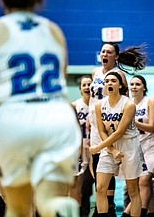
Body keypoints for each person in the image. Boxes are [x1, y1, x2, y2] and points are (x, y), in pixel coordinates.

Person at [0, 0, 82, 216]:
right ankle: (58, 206)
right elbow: (61, 79)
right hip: (57, 116)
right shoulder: (54, 31)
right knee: (48, 199)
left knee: (19, 208)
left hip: (16, 118)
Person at [88, 42, 146, 216]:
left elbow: (120, 131)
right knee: (100, 185)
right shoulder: (96, 78)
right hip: (102, 131)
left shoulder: (127, 103)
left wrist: (101, 146)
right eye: (103, 51)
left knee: (133, 188)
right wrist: (110, 149)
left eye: (113, 81)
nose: (109, 83)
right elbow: (101, 130)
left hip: (126, 141)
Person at [122, 75, 154, 217]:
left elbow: (152, 127)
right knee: (146, 184)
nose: (134, 86)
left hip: (152, 144)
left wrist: (131, 120)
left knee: (144, 181)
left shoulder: (150, 102)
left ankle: (132, 213)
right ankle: (152, 212)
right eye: (132, 84)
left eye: (137, 84)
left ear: (144, 87)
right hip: (136, 146)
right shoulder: (128, 103)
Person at [70, 75, 93, 215]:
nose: (87, 87)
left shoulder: (99, 104)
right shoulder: (75, 106)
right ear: (80, 90)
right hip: (80, 149)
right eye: (84, 85)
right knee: (76, 187)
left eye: (89, 84)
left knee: (94, 186)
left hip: (95, 148)